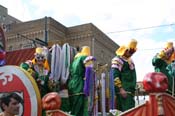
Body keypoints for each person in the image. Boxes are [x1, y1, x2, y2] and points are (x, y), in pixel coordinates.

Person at [67, 46, 96, 116]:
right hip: (79, 85)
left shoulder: (74, 61)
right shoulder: (84, 58)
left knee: (73, 107)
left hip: (72, 85)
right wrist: (87, 86)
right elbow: (88, 71)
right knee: (81, 108)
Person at [111, 39, 137, 112]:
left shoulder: (130, 61)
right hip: (124, 91)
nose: (131, 54)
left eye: (133, 52)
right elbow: (115, 76)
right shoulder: (117, 60)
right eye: (130, 51)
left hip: (130, 92)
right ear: (125, 50)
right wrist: (121, 89)